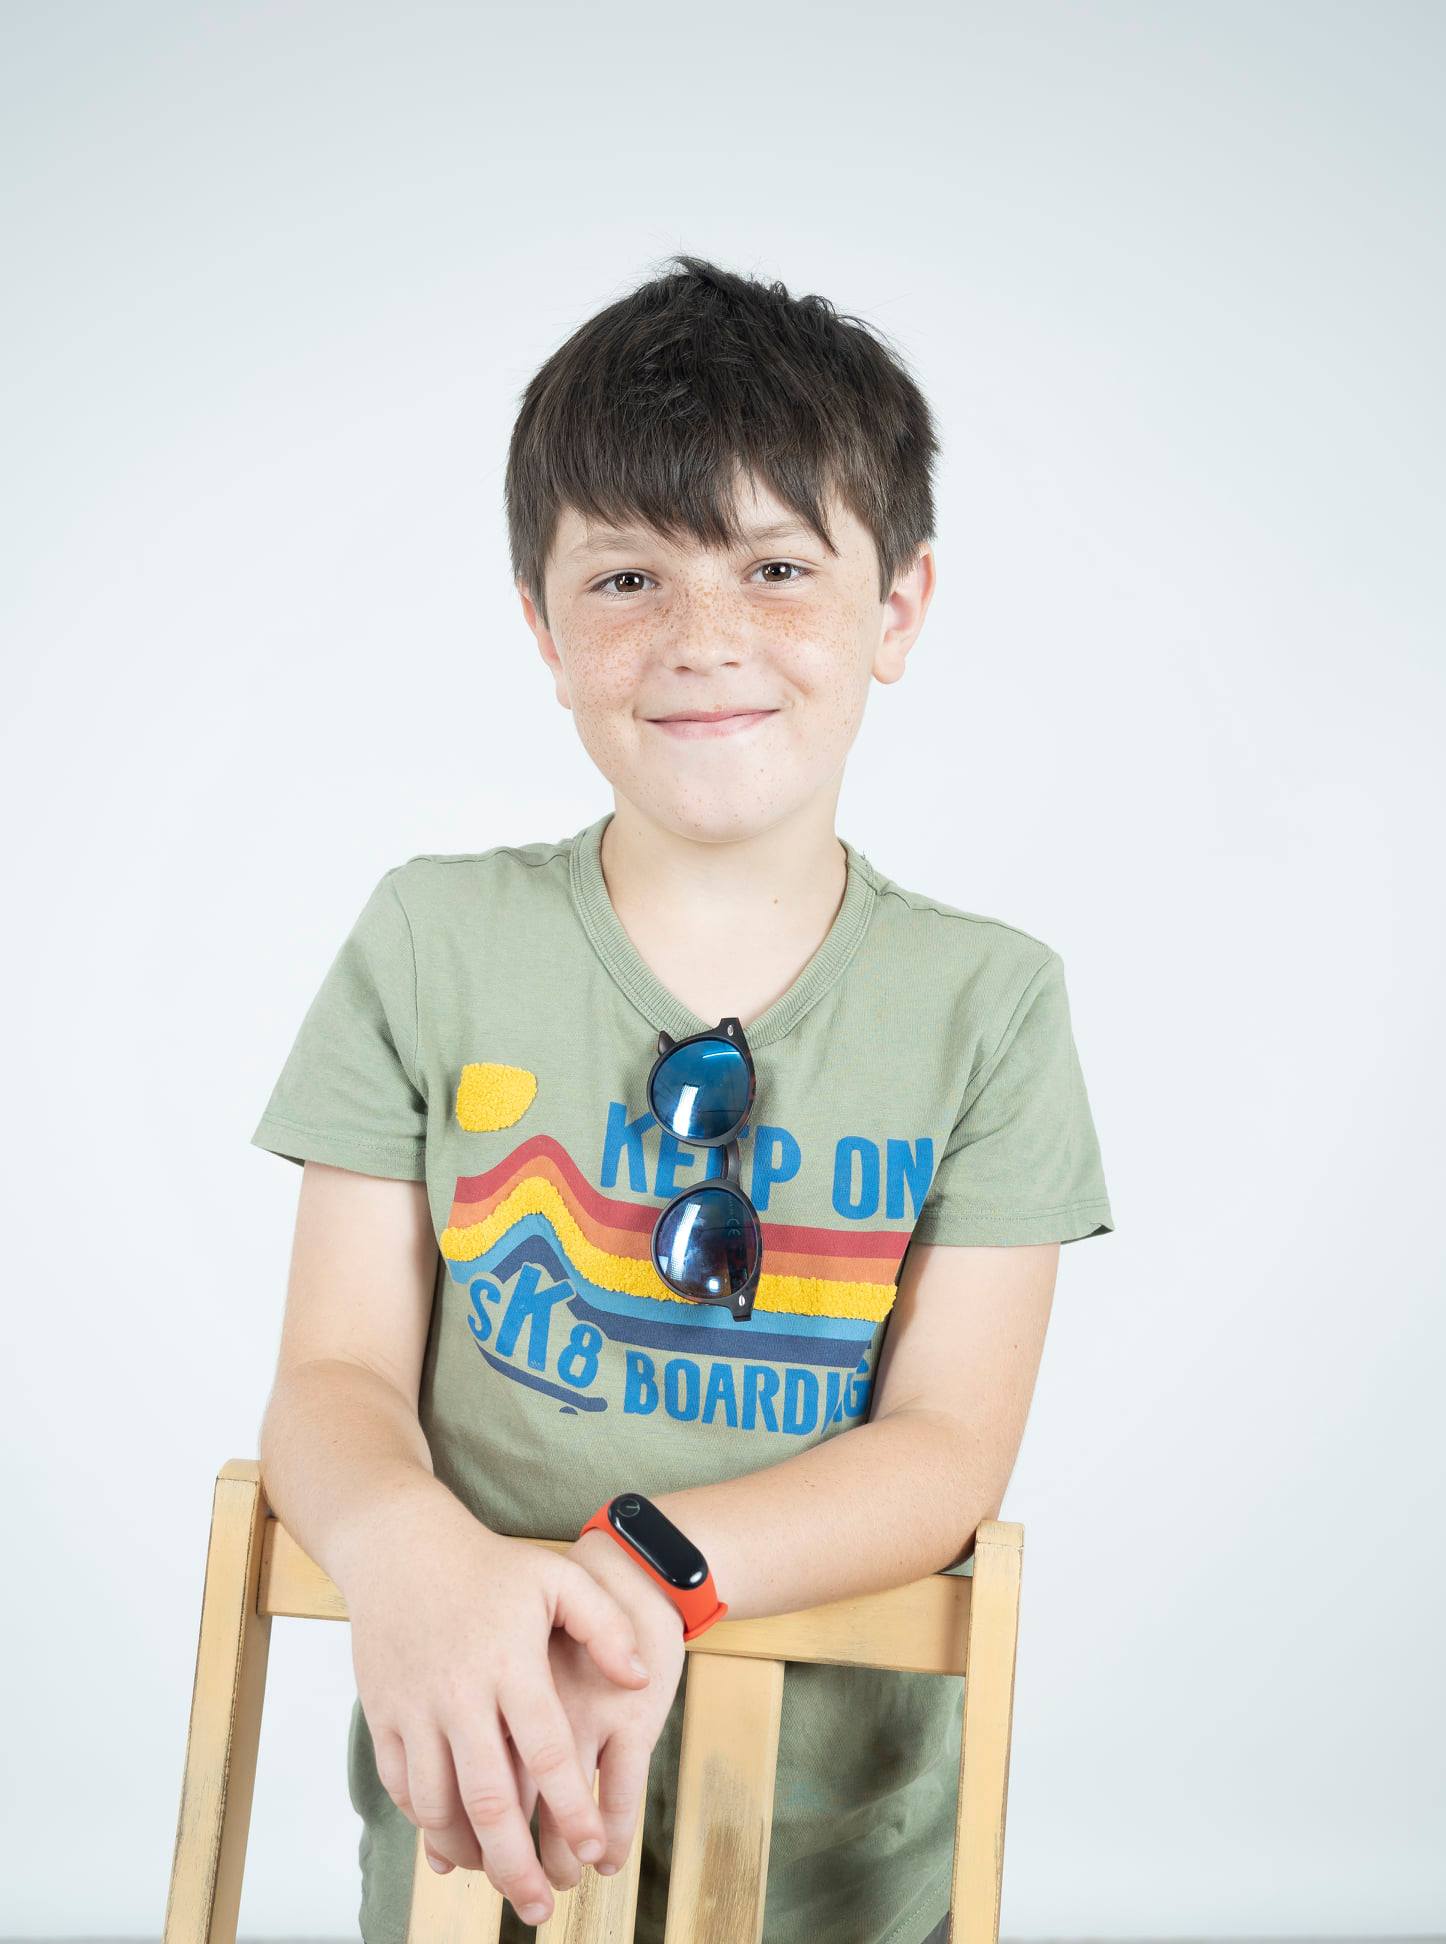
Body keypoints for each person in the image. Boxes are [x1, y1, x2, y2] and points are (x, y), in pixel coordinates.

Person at [250, 253, 1114, 1944]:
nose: (703, 639)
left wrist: (638, 1572)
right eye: (628, 577)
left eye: (776, 569)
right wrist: (408, 1548)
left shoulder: (990, 1002)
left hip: (835, 1853)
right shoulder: (429, 940)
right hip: (482, 1813)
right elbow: (332, 1377)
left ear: (896, 611)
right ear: (543, 628)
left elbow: (944, 1448)